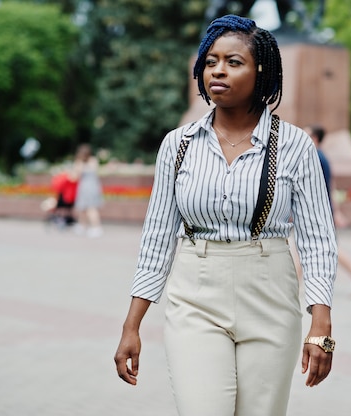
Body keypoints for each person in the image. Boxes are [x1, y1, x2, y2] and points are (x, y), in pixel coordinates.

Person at [114, 15, 338, 416]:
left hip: (269, 293)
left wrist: (320, 323)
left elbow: (318, 239)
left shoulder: (295, 146)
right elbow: (158, 236)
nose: (217, 69)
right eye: (211, 60)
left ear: (261, 72)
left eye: (234, 62)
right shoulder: (178, 144)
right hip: (194, 295)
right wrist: (133, 324)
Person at [304, 124, 351, 298]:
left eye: (306, 132)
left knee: (332, 250)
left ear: (315, 138)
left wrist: (334, 212)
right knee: (301, 249)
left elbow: (318, 187)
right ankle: (293, 289)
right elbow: (330, 186)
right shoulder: (320, 157)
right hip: (317, 212)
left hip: (317, 212)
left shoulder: (316, 157)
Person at [70, 143, 104, 238]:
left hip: (85, 187)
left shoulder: (79, 163)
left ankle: (96, 227)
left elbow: (74, 177)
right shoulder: (94, 161)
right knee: (85, 208)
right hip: (94, 186)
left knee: (89, 208)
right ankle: (83, 226)